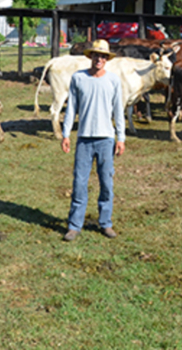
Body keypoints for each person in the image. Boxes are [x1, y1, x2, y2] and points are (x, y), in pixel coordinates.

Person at [60, 38, 126, 241]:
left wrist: (120, 138)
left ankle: (105, 223)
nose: (99, 59)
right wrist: (66, 133)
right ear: (91, 56)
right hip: (84, 139)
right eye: (96, 55)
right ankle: (74, 225)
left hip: (106, 139)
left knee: (106, 183)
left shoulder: (113, 80)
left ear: (107, 59)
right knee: (79, 183)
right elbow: (71, 108)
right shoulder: (78, 78)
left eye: (103, 56)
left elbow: (118, 111)